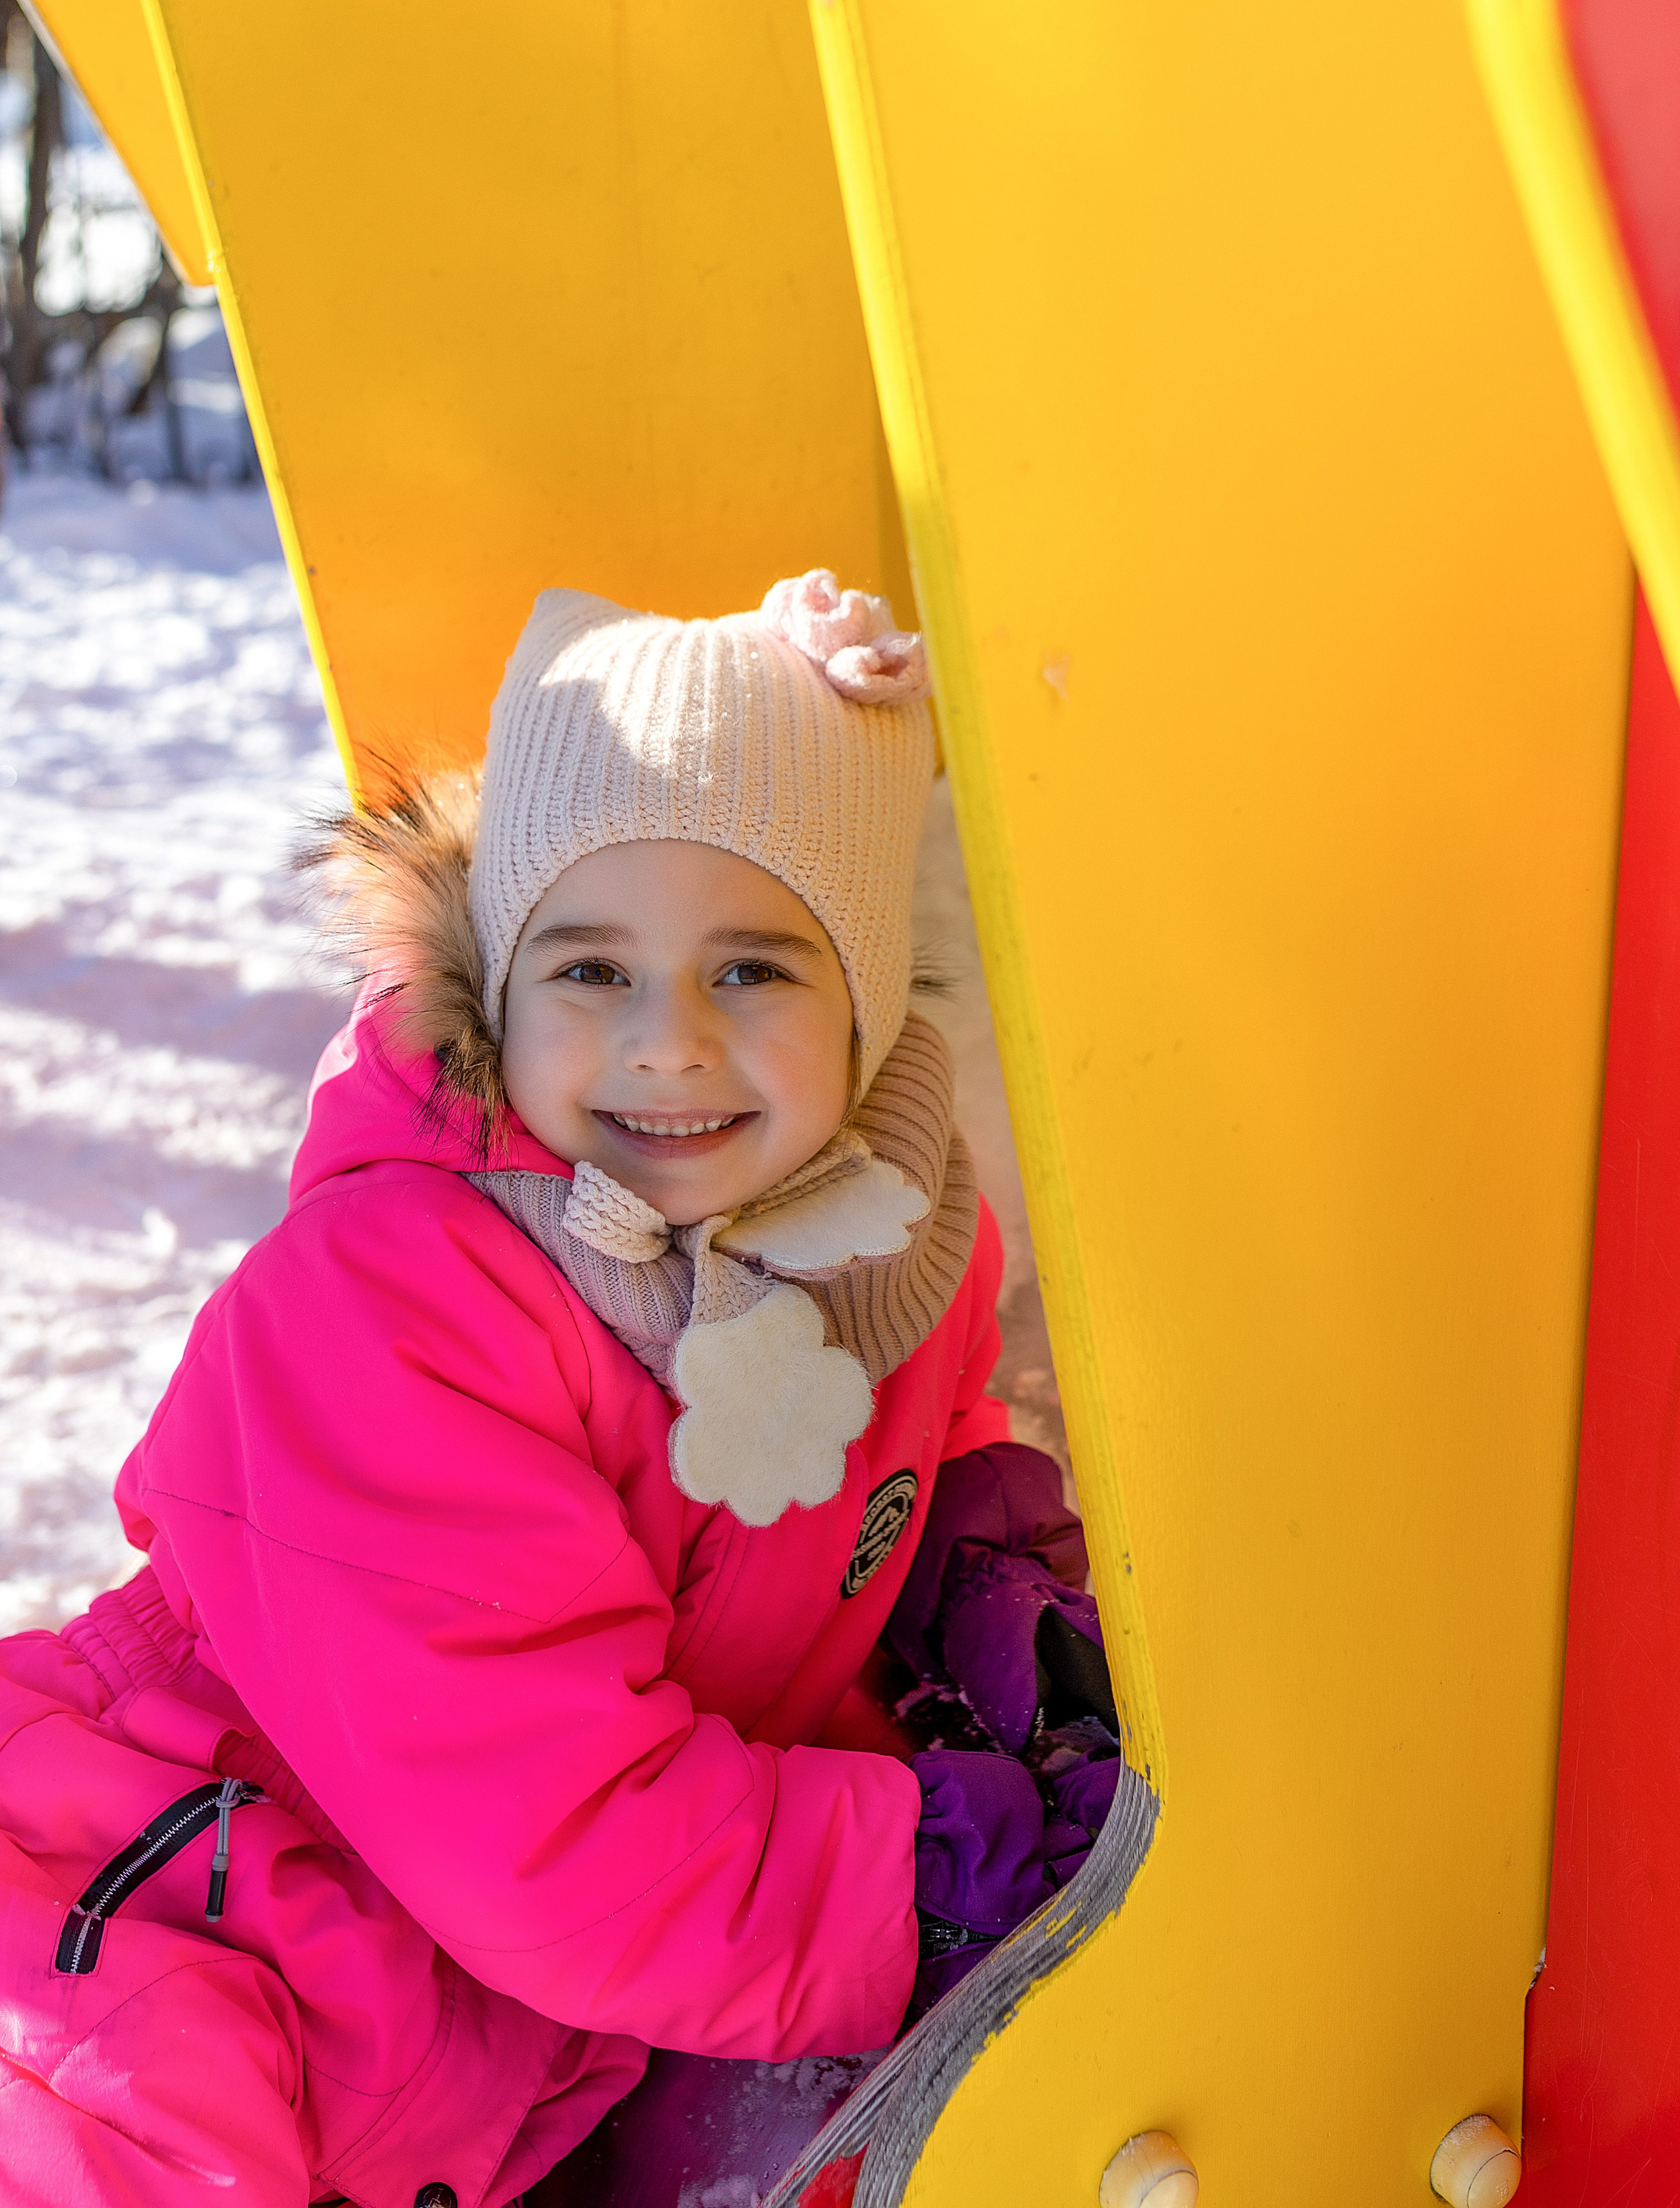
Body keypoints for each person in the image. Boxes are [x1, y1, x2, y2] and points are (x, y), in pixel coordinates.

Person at [0, 571, 1117, 2208]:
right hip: (183, 1914)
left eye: (753, 969)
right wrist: (924, 1884)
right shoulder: (397, 1302)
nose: (667, 1042)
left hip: (495, 2016)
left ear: (867, 1003)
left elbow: (916, 1451)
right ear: (494, 993)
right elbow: (556, 1837)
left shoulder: (894, 1246)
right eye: (590, 970)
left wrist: (970, 1568)